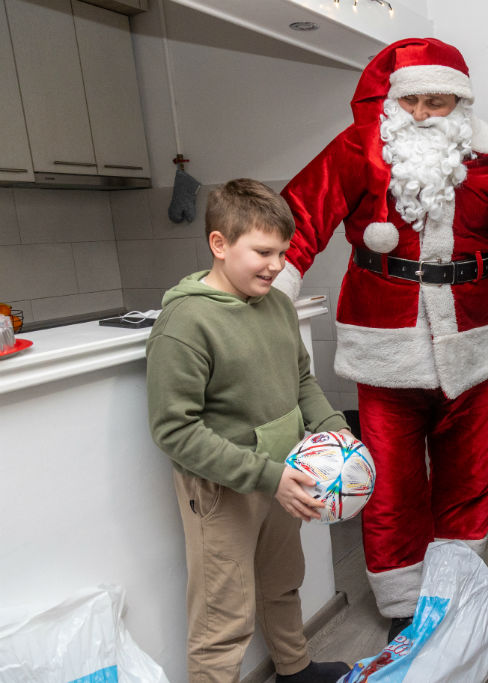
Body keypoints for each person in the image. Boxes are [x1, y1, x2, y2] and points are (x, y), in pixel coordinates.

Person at [273, 38, 488, 641]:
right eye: (410, 100)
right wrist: (271, 288)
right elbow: (301, 215)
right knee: (392, 484)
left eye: (434, 101)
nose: (419, 113)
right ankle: (401, 604)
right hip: (384, 345)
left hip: (470, 343)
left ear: (459, 101)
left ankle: (455, 587)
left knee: (468, 476)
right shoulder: (357, 148)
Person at [146, 179, 352, 683]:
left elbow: (300, 379)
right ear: (219, 244)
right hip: (223, 489)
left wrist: (334, 430)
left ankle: (295, 669)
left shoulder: (277, 305)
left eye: (282, 252)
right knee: (224, 616)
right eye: (263, 252)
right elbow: (175, 431)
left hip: (284, 474)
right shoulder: (186, 322)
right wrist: (266, 476)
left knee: (283, 581)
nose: (277, 265)